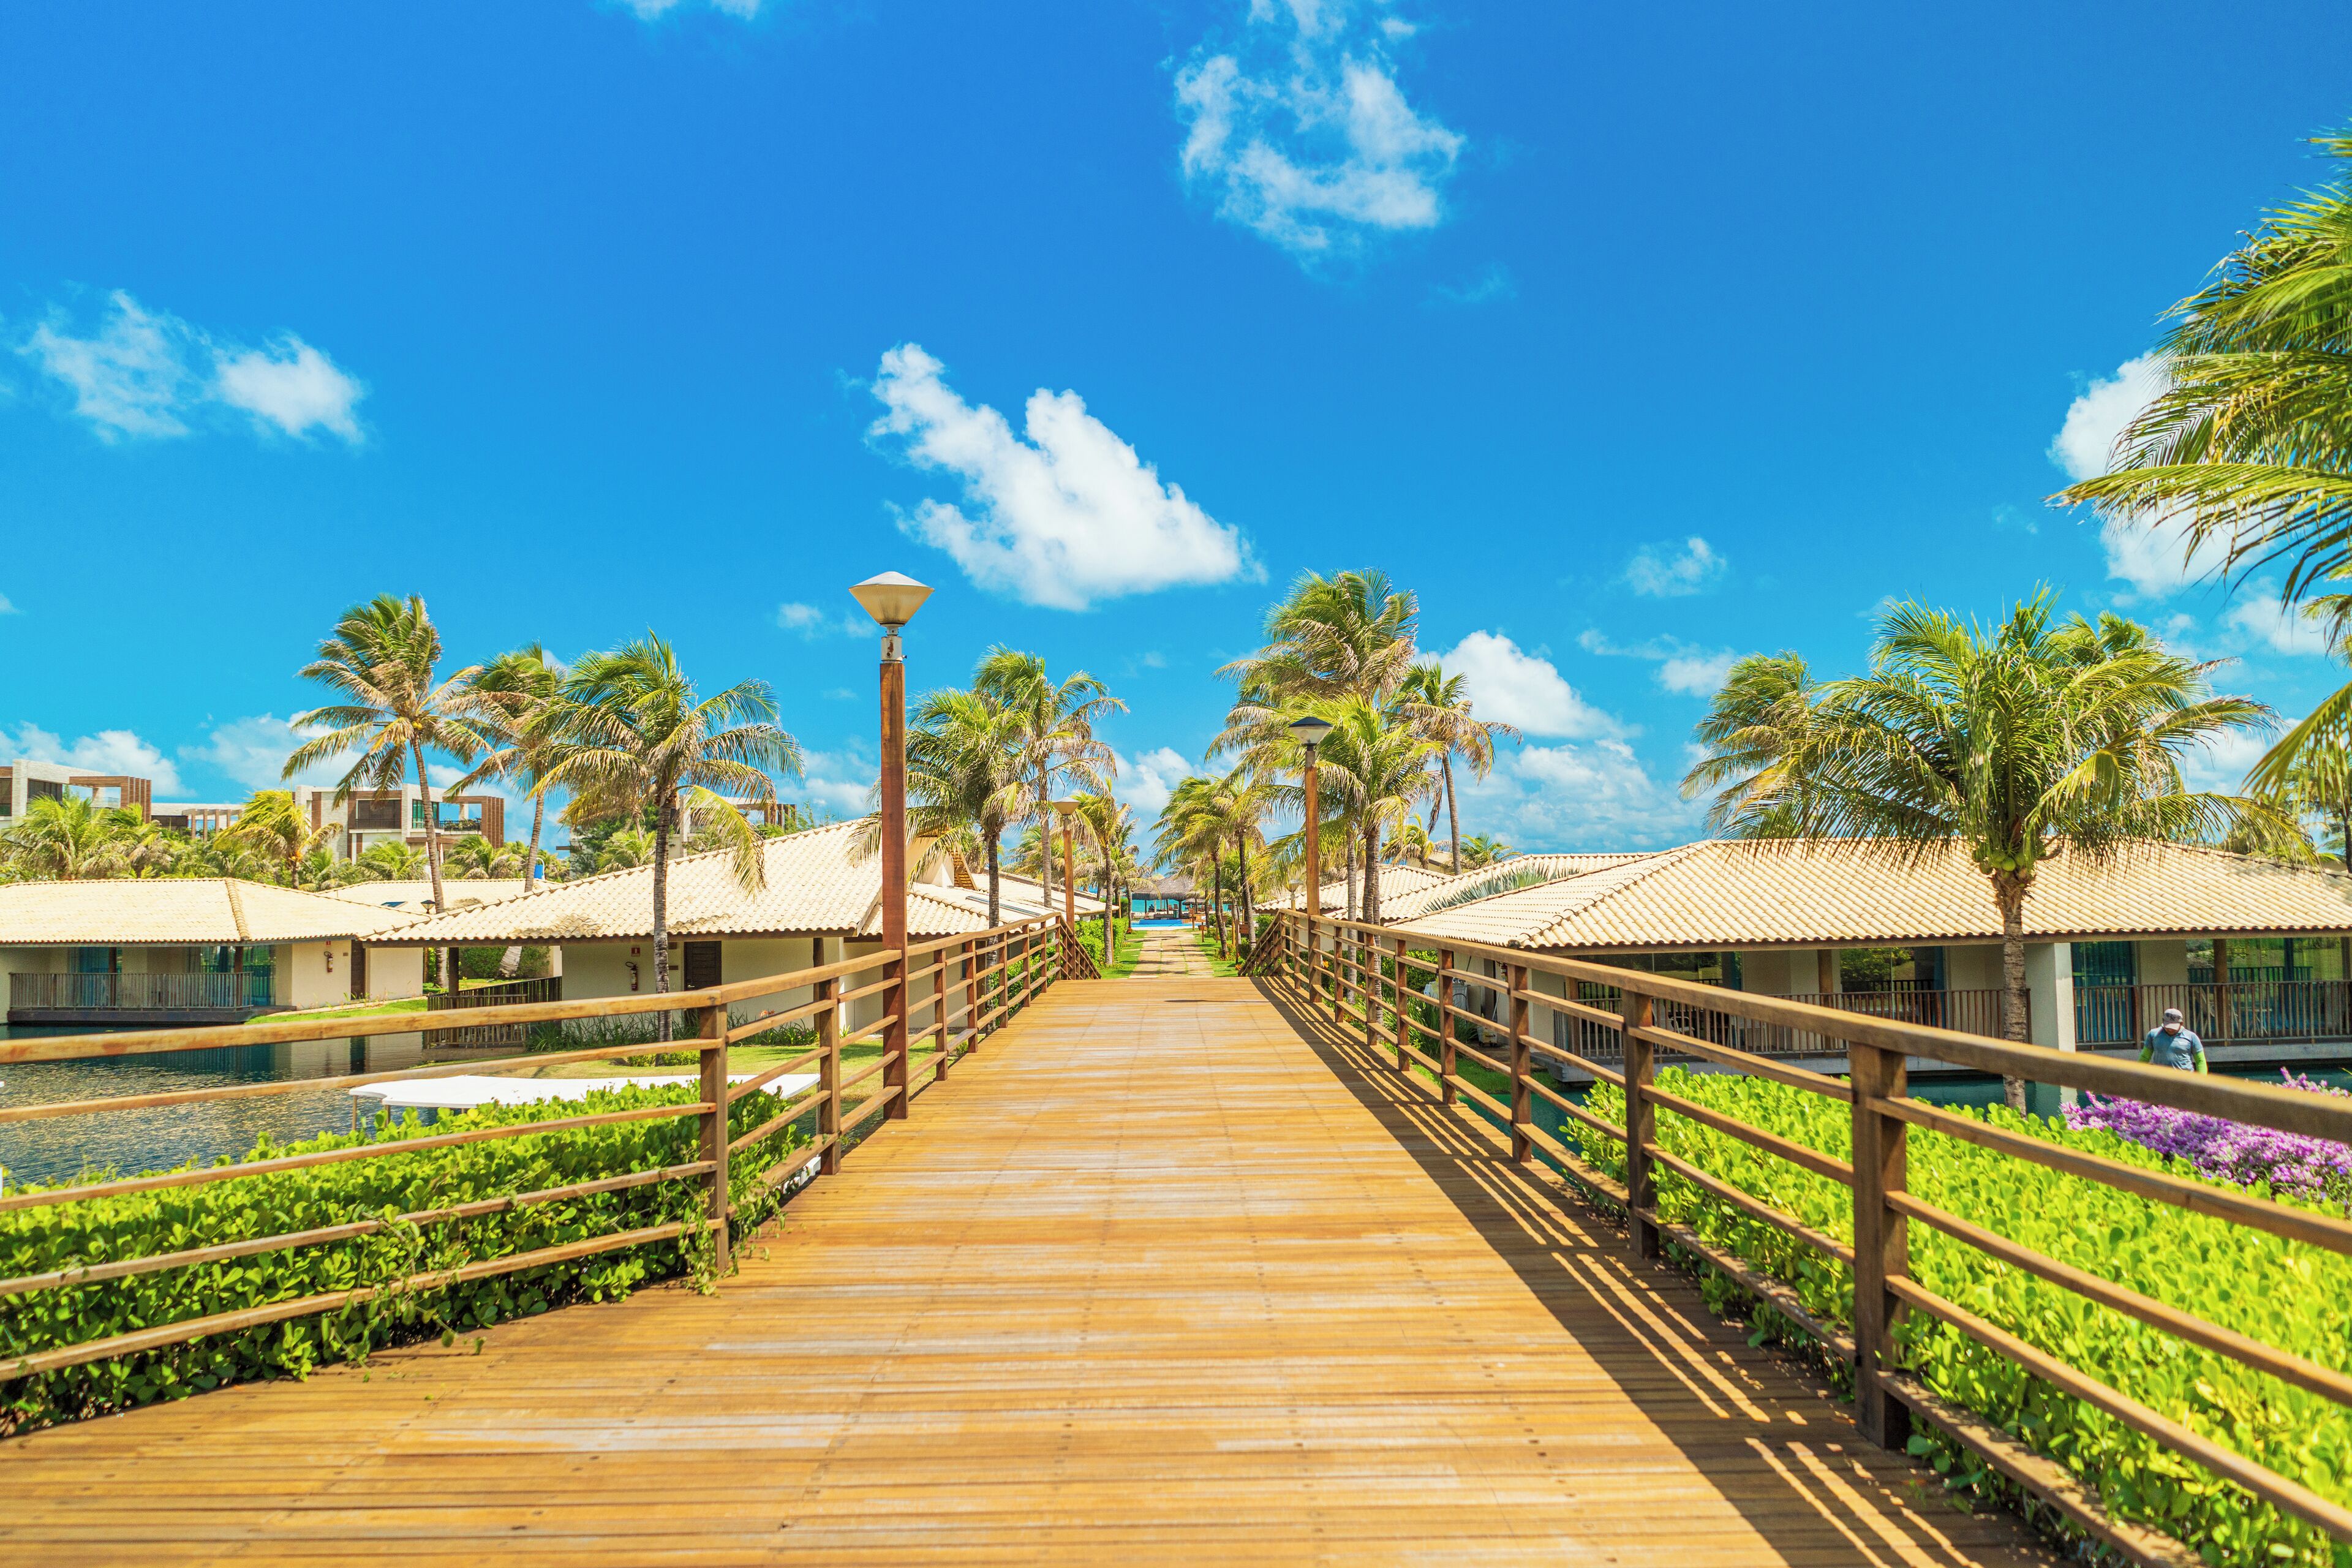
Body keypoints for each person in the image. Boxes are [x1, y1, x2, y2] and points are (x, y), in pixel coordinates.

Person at [2139, 1006, 2208, 1072]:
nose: (2170, 1029)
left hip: (2185, 1080)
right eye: (2168, 1026)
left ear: (2181, 1024)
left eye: (2173, 1027)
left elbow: (2200, 1061)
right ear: (2163, 1021)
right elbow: (2145, 1057)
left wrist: (2202, 1080)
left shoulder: (2191, 1037)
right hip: (2161, 1079)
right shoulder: (2153, 1035)